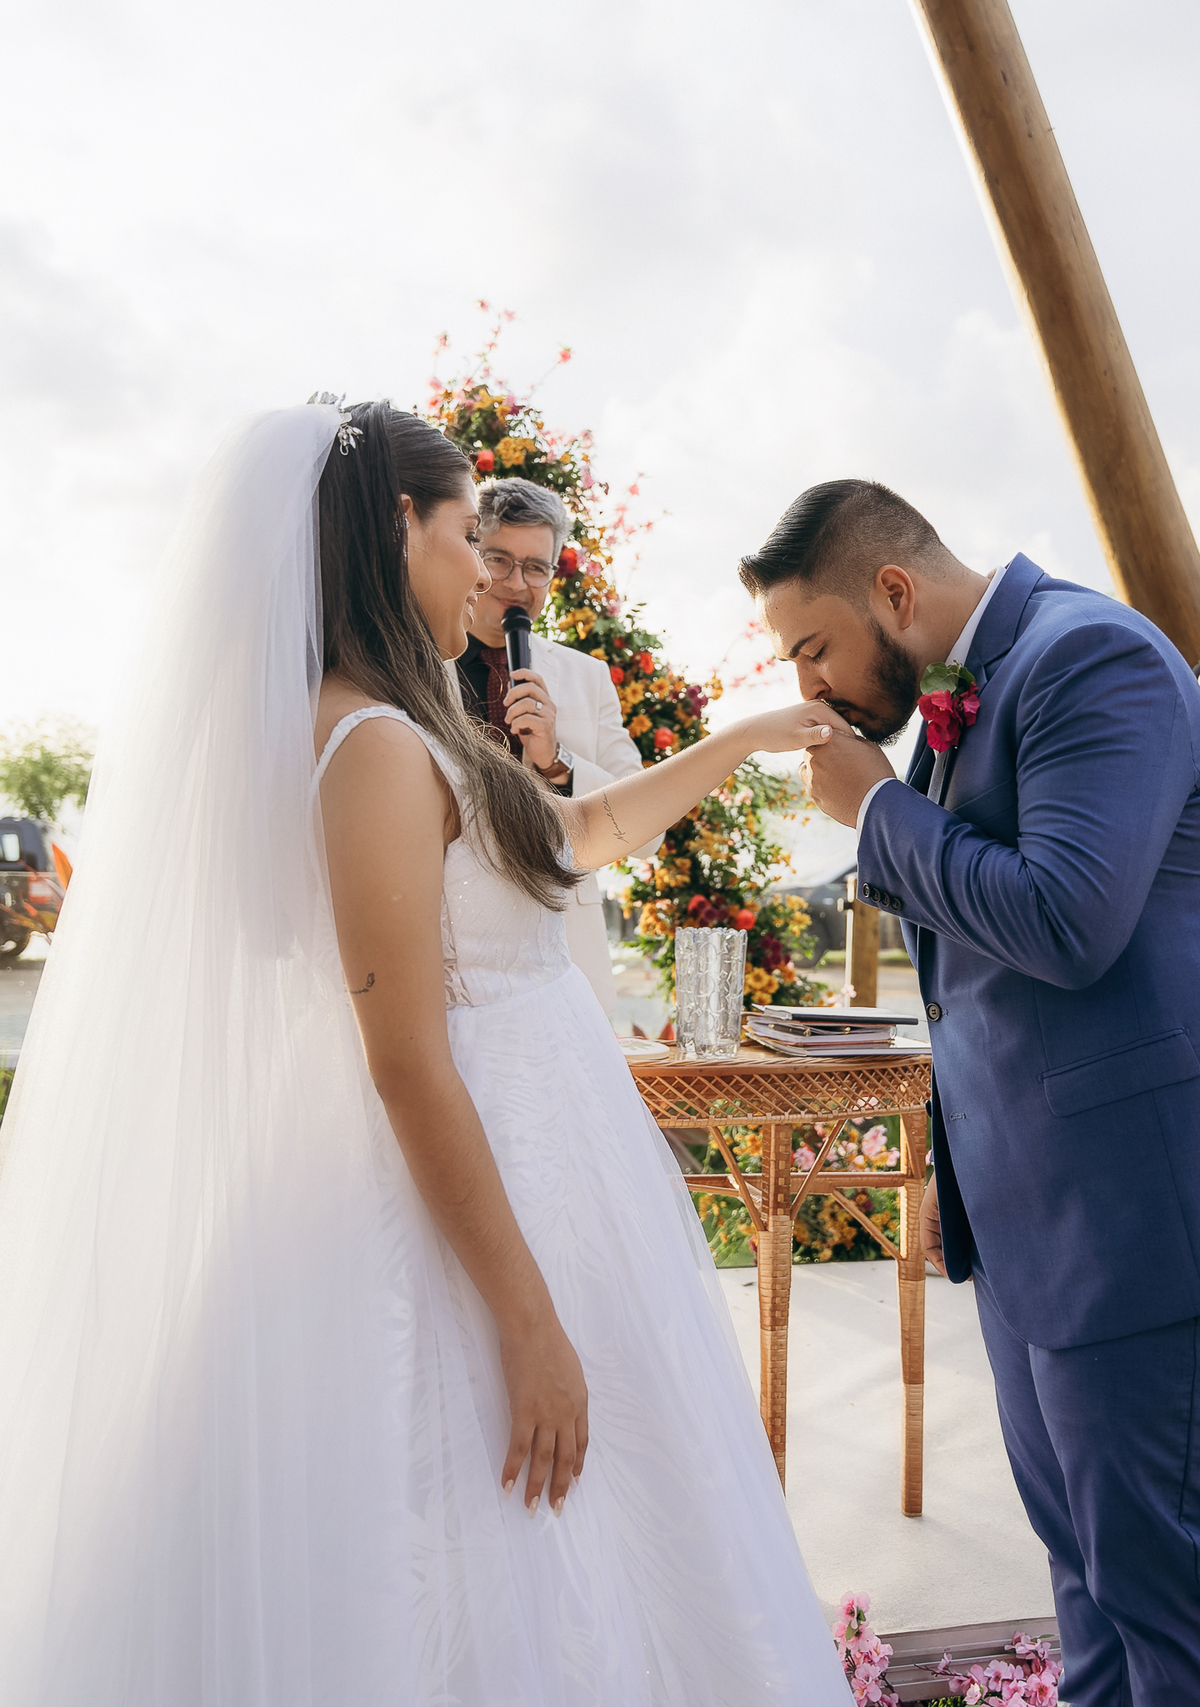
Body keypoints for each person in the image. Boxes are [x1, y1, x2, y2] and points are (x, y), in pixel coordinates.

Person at [0, 400, 852, 1706]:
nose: (488, 570)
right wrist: (527, 1320)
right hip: (473, 1200)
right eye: (466, 536)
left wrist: (737, 740)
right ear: (398, 541)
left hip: (550, 1165)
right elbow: (404, 1056)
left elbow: (571, 839)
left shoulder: (411, 724)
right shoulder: (375, 747)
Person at [740, 477, 1200, 1707]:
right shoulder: (957, 704)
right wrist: (959, 1179)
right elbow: (974, 998)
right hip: (1029, 1238)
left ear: (895, 591)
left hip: (1140, 1238)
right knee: (1088, 1589)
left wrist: (880, 810)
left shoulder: (1091, 656)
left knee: (1168, 1606)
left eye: (814, 647)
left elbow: (1068, 921)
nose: (811, 686)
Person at [452, 475, 660, 1012]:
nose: (517, 583)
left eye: (536, 567)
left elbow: (645, 837)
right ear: (471, 553)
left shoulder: (587, 678)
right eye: (499, 559)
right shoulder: (415, 665)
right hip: (448, 942)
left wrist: (557, 762)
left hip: (562, 952)